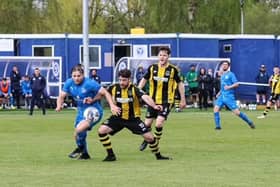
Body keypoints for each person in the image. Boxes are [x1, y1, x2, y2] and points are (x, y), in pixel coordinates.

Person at [96, 69, 170, 161]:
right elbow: (103, 93)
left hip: (133, 119)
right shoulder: (114, 87)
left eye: (124, 80)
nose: (121, 82)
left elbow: (145, 97)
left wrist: (154, 106)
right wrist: (92, 99)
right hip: (118, 117)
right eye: (120, 80)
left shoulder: (134, 89)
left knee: (150, 138)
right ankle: (111, 155)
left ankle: (159, 156)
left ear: (129, 80)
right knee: (101, 131)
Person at [56, 64, 120, 160]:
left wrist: (112, 105)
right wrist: (59, 105)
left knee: (78, 130)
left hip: (93, 111)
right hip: (81, 111)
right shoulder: (69, 83)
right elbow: (61, 96)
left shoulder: (90, 83)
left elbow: (105, 92)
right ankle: (85, 154)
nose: (76, 78)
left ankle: (80, 148)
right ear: (71, 76)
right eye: (74, 76)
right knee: (80, 134)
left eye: (79, 76)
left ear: (83, 75)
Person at [138, 46, 186, 151]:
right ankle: (147, 139)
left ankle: (155, 142)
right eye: (160, 55)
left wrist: (183, 99)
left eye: (164, 55)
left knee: (159, 122)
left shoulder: (173, 70)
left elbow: (180, 84)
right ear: (158, 56)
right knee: (146, 124)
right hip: (152, 101)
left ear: (168, 56)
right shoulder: (152, 68)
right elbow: (144, 79)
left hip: (166, 101)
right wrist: (137, 90)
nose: (162, 57)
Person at [213, 60, 255, 130]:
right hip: (222, 96)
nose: (224, 66)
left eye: (226, 64)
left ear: (228, 66)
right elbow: (223, 86)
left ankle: (249, 122)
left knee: (237, 113)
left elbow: (237, 84)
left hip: (229, 96)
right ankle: (218, 126)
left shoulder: (231, 74)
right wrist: (219, 93)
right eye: (223, 64)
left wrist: (229, 87)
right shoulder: (222, 75)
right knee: (215, 109)